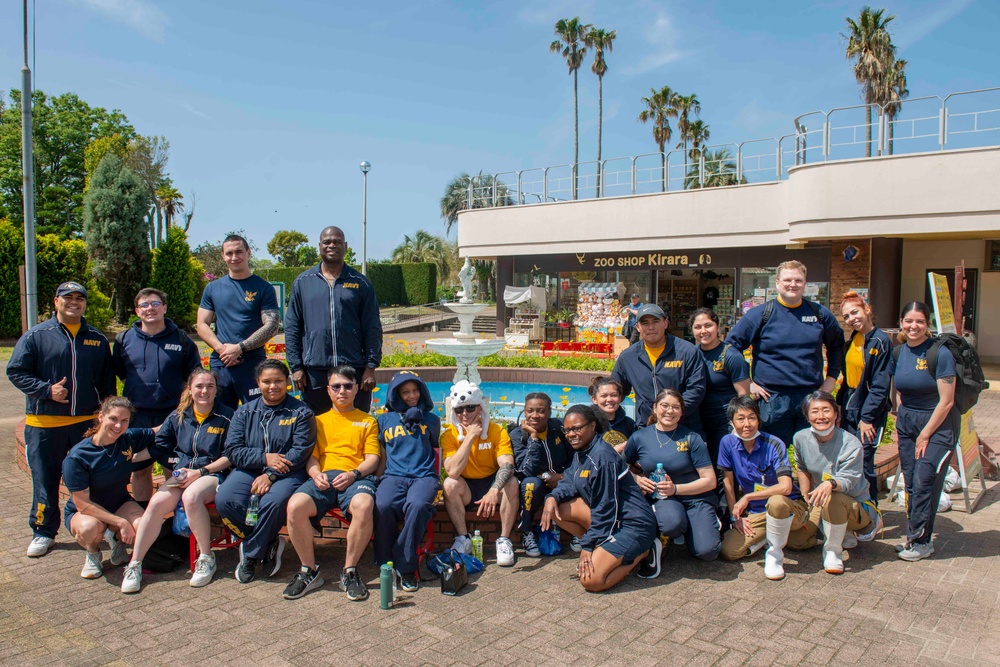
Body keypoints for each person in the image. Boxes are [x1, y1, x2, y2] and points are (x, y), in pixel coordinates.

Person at [7, 281, 116, 559]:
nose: (74, 302)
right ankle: (43, 531)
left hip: (86, 424)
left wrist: (108, 414)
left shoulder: (97, 338)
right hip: (46, 424)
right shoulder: (36, 336)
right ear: (56, 302)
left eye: (80, 298)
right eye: (68, 298)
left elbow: (106, 382)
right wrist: (46, 390)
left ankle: (101, 526)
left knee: (93, 479)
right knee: (46, 479)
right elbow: (16, 371)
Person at [120, 368, 234, 593]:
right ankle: (135, 563)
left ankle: (206, 558)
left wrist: (200, 472)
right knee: (156, 503)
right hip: (183, 474)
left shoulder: (228, 416)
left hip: (212, 474)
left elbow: (230, 455)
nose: (204, 391)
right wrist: (125, 459)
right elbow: (159, 447)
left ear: (216, 390)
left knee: (191, 498)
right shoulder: (178, 415)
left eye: (210, 386)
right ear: (190, 389)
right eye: (199, 386)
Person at [724, 260, 845, 449]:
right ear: (778, 283)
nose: (793, 284)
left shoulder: (820, 314)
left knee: (814, 454)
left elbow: (837, 346)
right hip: (771, 399)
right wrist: (749, 383)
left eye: (798, 280)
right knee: (769, 456)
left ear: (805, 283)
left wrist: (831, 378)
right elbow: (730, 348)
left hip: (810, 396)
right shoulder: (761, 314)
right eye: (788, 280)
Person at [284, 366, 380, 601]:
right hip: (324, 477)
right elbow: (312, 457)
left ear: (357, 389)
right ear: (328, 390)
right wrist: (315, 473)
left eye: (348, 386)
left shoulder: (368, 421)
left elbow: (373, 459)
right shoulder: (318, 421)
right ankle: (309, 571)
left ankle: (349, 571)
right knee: (295, 505)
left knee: (364, 504)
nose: (342, 391)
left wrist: (354, 474)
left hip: (356, 478)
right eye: (336, 386)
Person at [215, 359, 315, 584]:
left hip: (288, 472)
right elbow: (232, 450)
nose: (273, 386)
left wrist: (271, 475)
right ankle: (267, 540)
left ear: (288, 382)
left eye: (279, 381)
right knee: (225, 499)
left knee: (273, 502)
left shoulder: (301, 412)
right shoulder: (244, 411)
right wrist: (263, 458)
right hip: (249, 469)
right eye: (267, 381)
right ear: (258, 383)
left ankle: (250, 555)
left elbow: (300, 452)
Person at [541, 405, 657, 591]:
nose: (571, 434)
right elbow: (570, 479)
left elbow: (606, 507)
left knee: (591, 581)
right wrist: (552, 497)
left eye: (577, 428)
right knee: (558, 509)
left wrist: (587, 546)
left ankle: (644, 551)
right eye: (567, 430)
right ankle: (602, 547)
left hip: (633, 525)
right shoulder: (582, 451)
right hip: (611, 521)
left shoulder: (602, 456)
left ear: (593, 426)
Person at [113, 287, 202, 504]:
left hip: (173, 415)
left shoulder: (182, 340)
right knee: (140, 469)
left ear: (164, 307)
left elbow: (193, 376)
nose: (149, 308)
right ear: (137, 311)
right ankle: (142, 514)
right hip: (137, 416)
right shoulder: (124, 339)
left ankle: (175, 521)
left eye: (154, 303)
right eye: (144, 305)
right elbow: (121, 373)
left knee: (173, 469)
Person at [284, 226, 383, 414]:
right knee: (315, 426)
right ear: (319, 246)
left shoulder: (360, 283)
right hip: (315, 371)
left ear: (345, 246)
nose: (332, 245)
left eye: (337, 242)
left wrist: (370, 367)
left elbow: (372, 327)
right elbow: (292, 328)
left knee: (355, 424)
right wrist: (296, 367)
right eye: (327, 242)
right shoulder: (303, 282)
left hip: (352, 368)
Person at [718, 396, 816, 580]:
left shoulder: (773, 443)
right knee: (729, 551)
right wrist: (735, 516)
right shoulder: (727, 443)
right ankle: (768, 537)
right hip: (759, 512)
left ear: (758, 419)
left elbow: (786, 487)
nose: (747, 424)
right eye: (741, 419)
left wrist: (747, 498)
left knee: (778, 504)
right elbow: (728, 482)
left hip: (788, 507)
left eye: (752, 418)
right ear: (731, 422)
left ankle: (775, 554)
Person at [889, 302, 957, 562]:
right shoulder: (899, 352)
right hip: (909, 425)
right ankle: (913, 538)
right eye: (908, 321)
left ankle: (922, 541)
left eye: (919, 321)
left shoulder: (940, 354)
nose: (913, 326)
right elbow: (898, 390)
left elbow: (947, 401)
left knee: (924, 481)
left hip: (937, 426)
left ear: (927, 324)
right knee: (911, 482)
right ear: (901, 322)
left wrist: (926, 433)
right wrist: (899, 416)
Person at [622, 389, 721, 565]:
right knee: (671, 524)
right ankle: (680, 529)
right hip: (664, 499)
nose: (670, 411)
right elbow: (622, 466)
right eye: (664, 406)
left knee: (707, 552)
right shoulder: (639, 437)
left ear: (682, 411)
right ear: (654, 408)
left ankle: (703, 523)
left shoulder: (692, 438)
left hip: (697, 498)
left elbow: (710, 480)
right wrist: (637, 479)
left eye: (676, 407)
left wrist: (675, 488)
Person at [62, 396, 154, 579]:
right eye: (113, 419)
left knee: (144, 527)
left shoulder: (128, 438)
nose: (118, 426)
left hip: (119, 503)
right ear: (101, 417)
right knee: (90, 528)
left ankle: (115, 540)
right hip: (87, 512)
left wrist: (184, 414)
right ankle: (93, 553)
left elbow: (159, 431)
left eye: (124, 421)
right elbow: (83, 505)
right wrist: (120, 522)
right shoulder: (78, 457)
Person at [793, 391, 882, 574]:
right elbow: (802, 467)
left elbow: (848, 479)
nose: (821, 416)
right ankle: (837, 533)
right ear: (807, 416)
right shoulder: (800, 438)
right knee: (796, 541)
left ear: (836, 414)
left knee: (832, 497)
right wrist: (805, 497)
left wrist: (829, 484)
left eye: (826, 410)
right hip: (822, 501)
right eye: (815, 411)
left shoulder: (851, 443)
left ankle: (833, 550)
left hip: (855, 503)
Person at [374, 371, 441, 592]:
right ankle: (386, 562)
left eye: (415, 391)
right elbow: (383, 454)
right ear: (396, 395)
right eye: (405, 392)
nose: (411, 396)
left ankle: (405, 566)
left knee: (418, 505)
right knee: (383, 505)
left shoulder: (431, 419)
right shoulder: (384, 419)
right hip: (394, 476)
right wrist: (378, 479)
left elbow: (434, 448)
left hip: (424, 476)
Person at [196, 234, 280, 409]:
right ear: (223, 256)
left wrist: (240, 348)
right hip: (221, 363)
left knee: (257, 413)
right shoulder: (212, 288)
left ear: (248, 253)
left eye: (239, 252)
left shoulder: (263, 288)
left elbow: (271, 325)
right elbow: (202, 324)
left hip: (252, 363)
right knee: (219, 416)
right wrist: (222, 350)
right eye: (229, 253)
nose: (234, 257)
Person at [440, 380, 519, 567]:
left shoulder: (496, 431)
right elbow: (452, 471)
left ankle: (504, 539)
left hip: (492, 481)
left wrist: (493, 491)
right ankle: (463, 538)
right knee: (449, 484)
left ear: (479, 408)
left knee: (512, 482)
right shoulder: (449, 435)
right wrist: (469, 437)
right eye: (459, 410)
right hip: (466, 484)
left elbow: (507, 465)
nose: (465, 414)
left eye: (470, 408)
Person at [611, 303, 706, 432]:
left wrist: (669, 413)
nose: (651, 327)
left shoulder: (687, 352)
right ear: (637, 327)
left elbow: (696, 389)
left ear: (665, 323)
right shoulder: (628, 357)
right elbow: (616, 390)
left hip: (684, 428)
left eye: (655, 321)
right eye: (645, 323)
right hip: (646, 428)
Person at [838, 291, 893, 506]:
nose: (852, 319)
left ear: (867, 310)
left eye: (854, 312)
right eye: (847, 317)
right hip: (849, 406)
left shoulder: (880, 341)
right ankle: (853, 510)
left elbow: (880, 385)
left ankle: (870, 511)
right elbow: (848, 378)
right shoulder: (853, 340)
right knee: (848, 461)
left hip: (869, 410)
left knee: (864, 463)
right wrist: (839, 405)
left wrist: (867, 418)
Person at [509, 393, 570, 557]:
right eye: (530, 411)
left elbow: (576, 458)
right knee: (529, 484)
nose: (535, 416)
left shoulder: (560, 429)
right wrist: (534, 439)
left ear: (550, 412)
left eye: (541, 411)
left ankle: (581, 533)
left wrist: (562, 477)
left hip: (562, 479)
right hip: (536, 482)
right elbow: (525, 471)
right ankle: (527, 531)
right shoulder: (517, 435)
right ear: (524, 411)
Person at [689, 308, 751, 468]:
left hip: (723, 422)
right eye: (698, 327)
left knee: (723, 468)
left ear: (717, 327)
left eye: (708, 325)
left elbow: (743, 396)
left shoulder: (731, 356)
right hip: (698, 421)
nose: (703, 331)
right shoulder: (691, 354)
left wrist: (736, 426)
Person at [588, 376, 636, 447]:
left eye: (614, 395)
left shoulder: (629, 424)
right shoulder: (589, 423)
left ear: (620, 398)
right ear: (594, 399)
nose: (609, 399)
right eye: (604, 396)